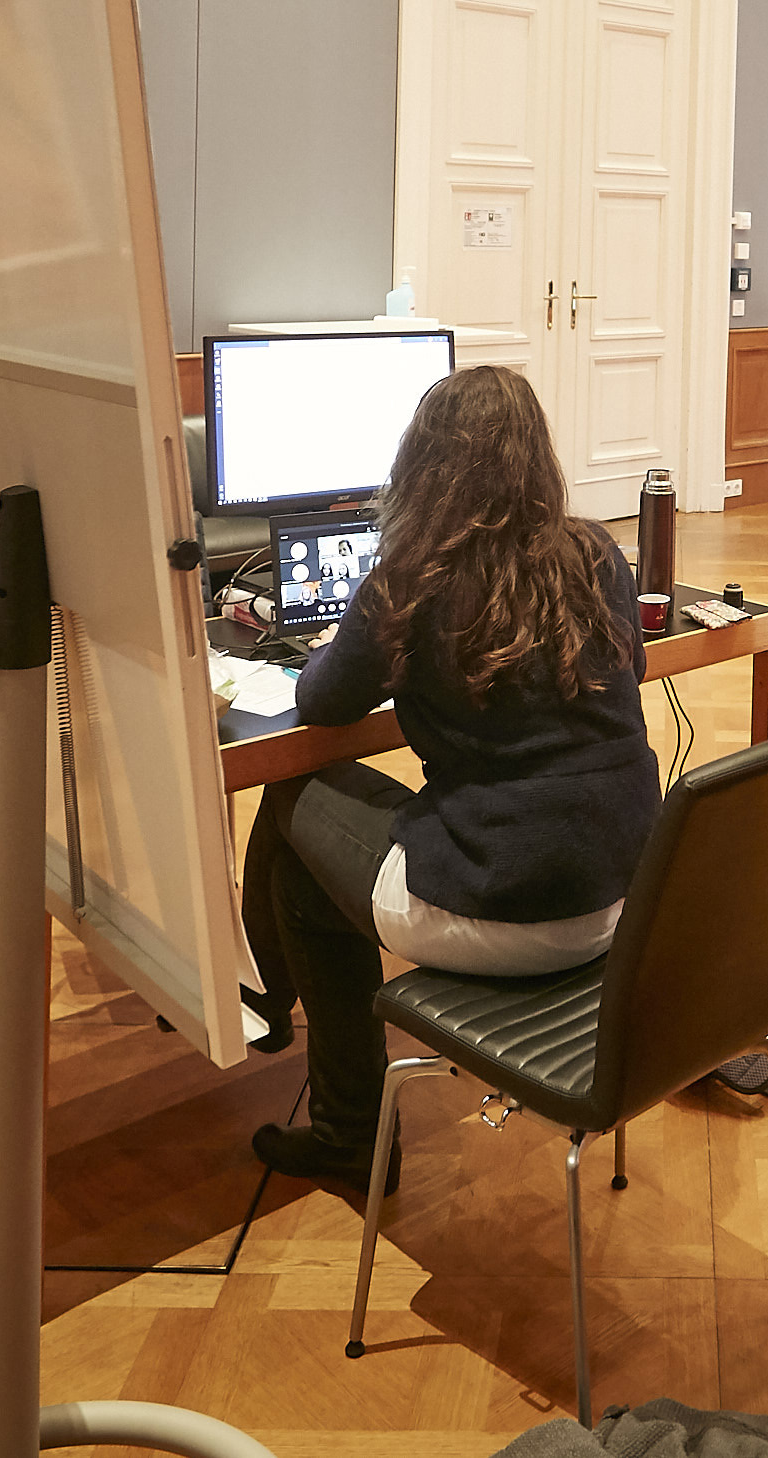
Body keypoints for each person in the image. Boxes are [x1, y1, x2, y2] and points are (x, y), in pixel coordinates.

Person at [234, 364, 660, 1184]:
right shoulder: (594, 552)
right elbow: (630, 667)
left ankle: (328, 1102)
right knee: (308, 857)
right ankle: (267, 1008)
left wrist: (341, 646)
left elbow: (322, 703)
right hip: (618, 900)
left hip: (502, 904)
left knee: (291, 799)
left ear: (422, 462)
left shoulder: (411, 579)